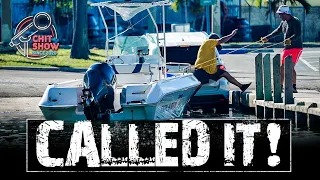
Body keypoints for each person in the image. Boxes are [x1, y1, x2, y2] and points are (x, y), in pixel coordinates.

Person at [261, 5, 303, 93]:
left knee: (290, 67)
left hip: (296, 48)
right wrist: (267, 38)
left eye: (280, 14)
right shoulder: (283, 22)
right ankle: (279, 87)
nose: (279, 16)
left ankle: (293, 87)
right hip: (287, 48)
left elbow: (298, 34)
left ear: (286, 13)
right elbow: (278, 31)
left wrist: (290, 40)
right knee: (282, 67)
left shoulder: (295, 21)